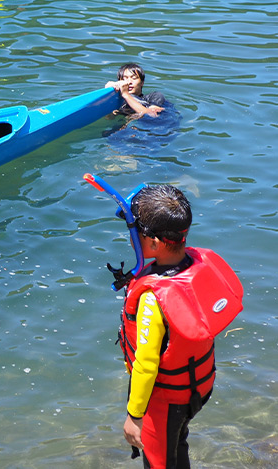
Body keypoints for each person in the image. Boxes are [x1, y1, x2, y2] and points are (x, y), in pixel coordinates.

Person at [117, 185, 243, 468]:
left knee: (160, 461)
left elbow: (146, 364)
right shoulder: (196, 264)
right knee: (176, 444)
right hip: (198, 386)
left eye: (134, 230)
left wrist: (134, 415)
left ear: (154, 243)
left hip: (167, 399)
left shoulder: (153, 298)